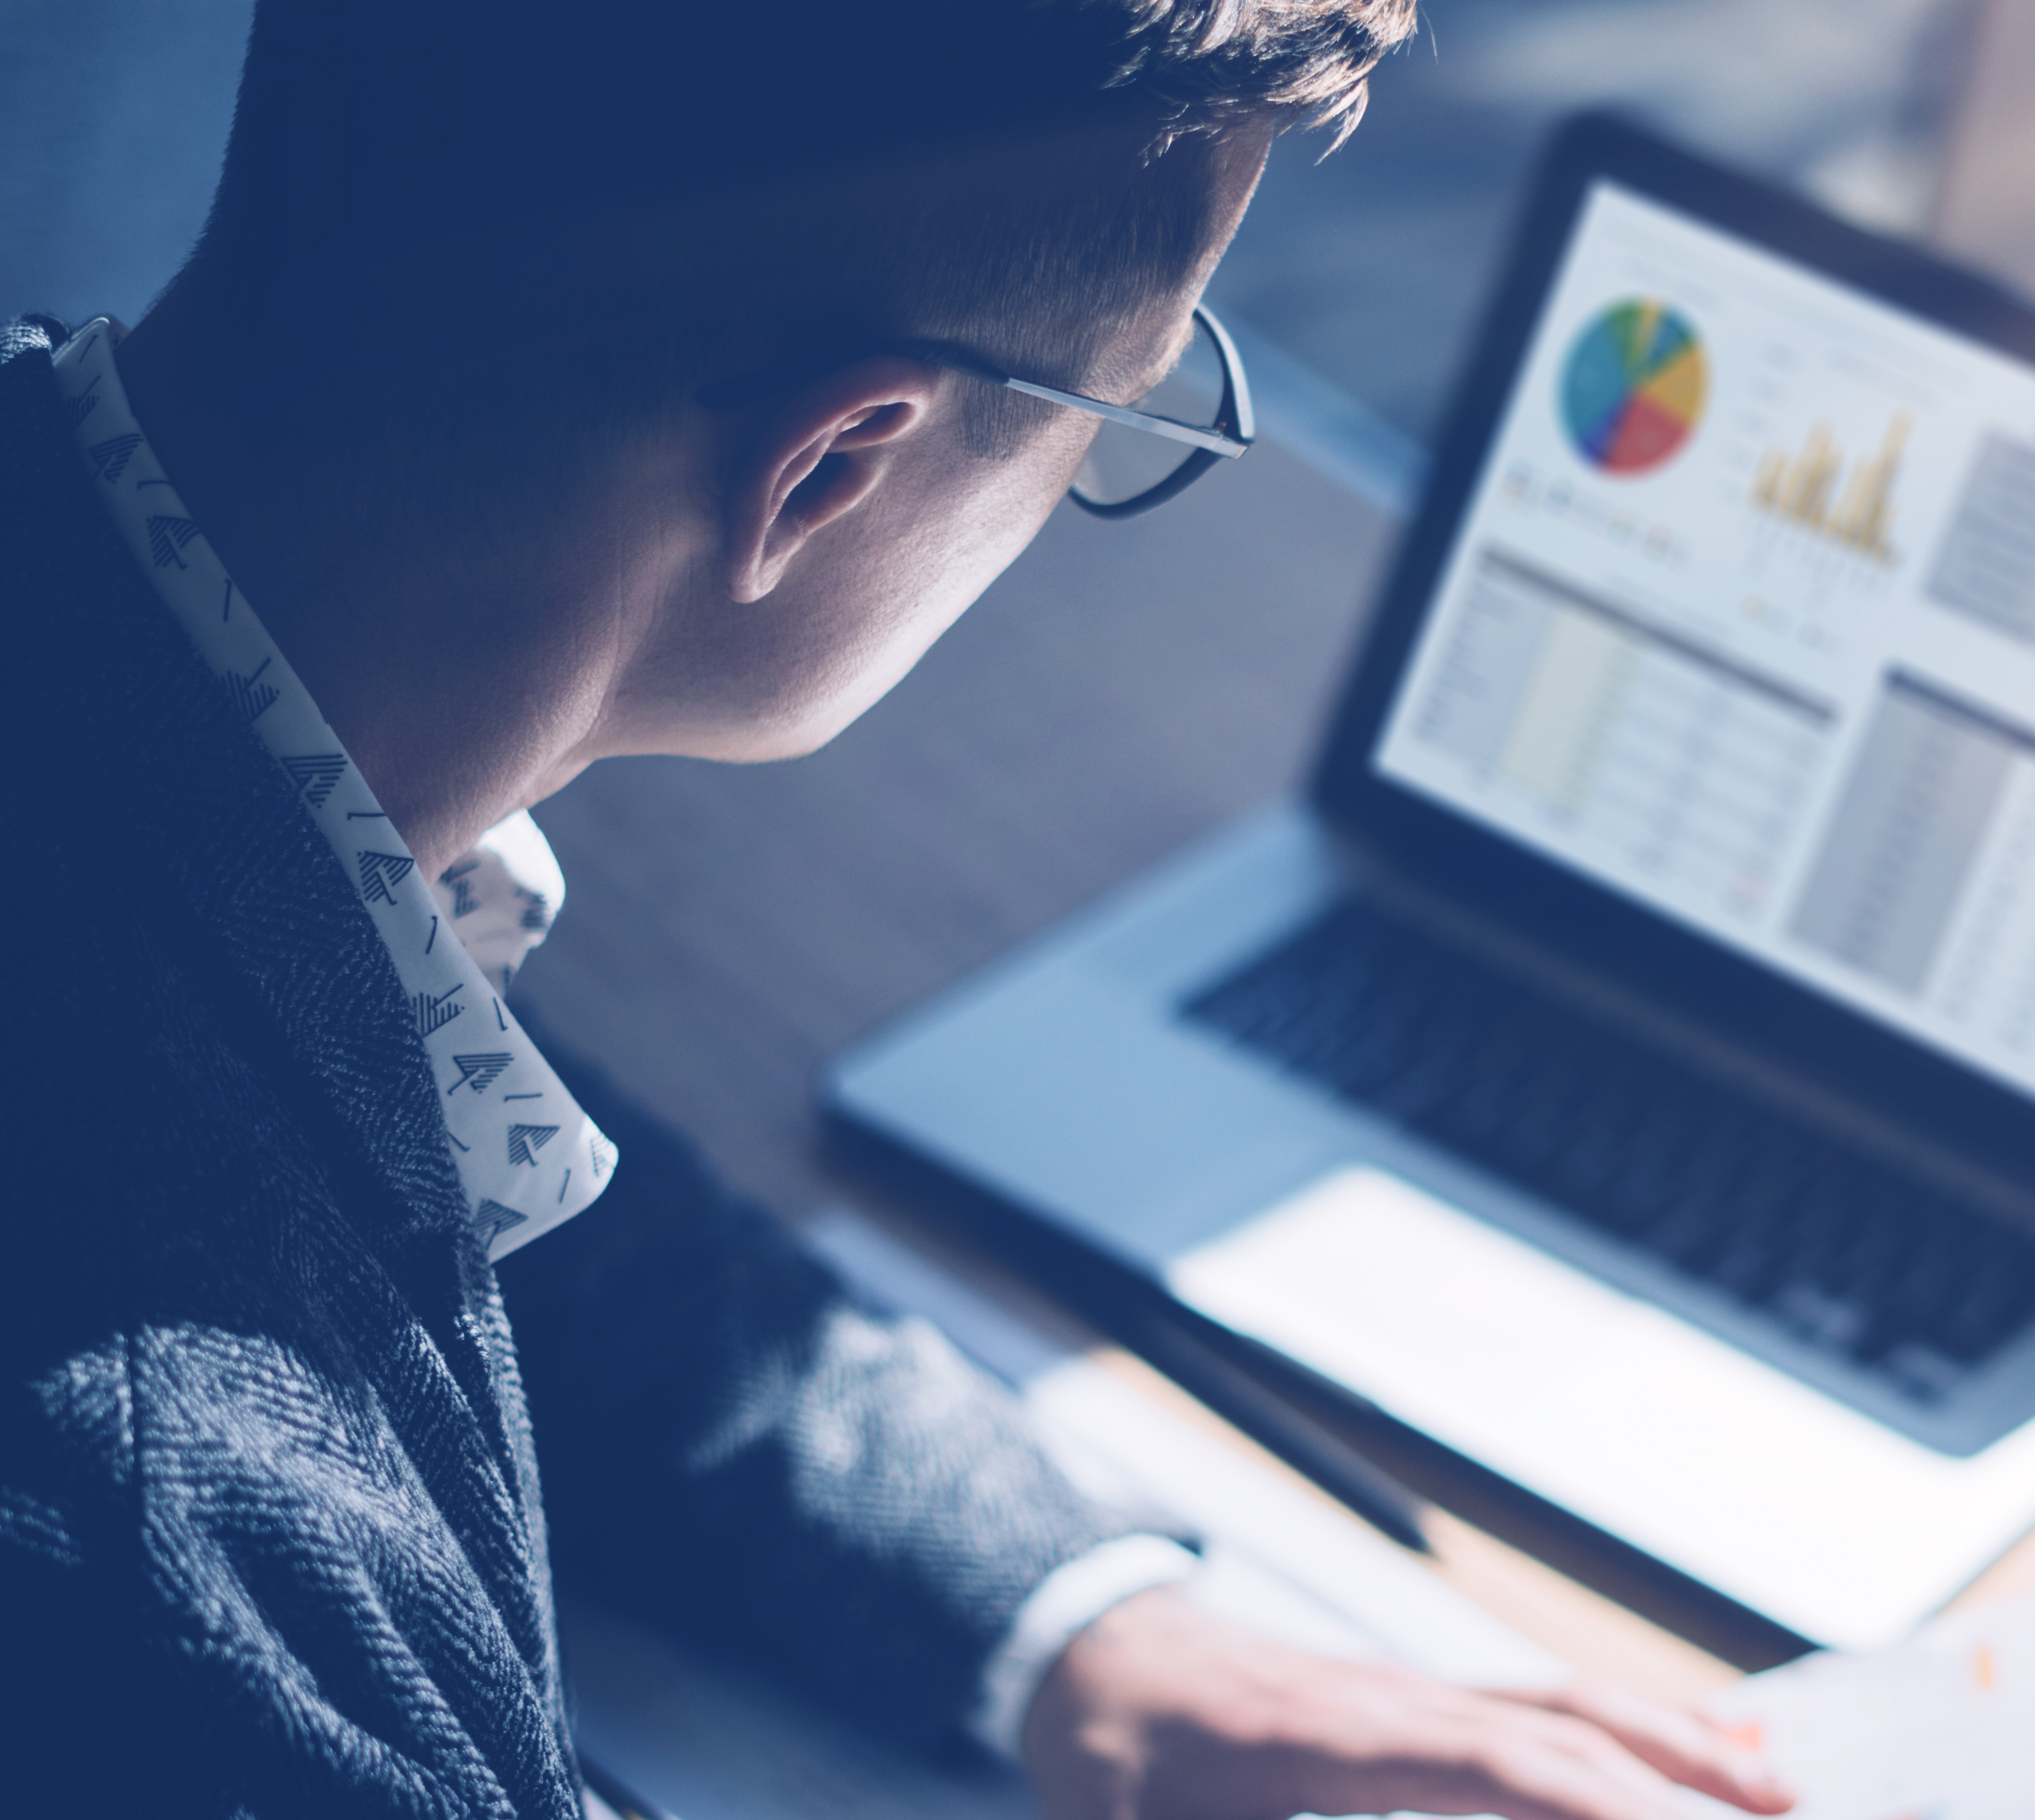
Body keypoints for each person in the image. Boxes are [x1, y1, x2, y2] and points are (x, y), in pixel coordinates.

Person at [0, 3, 1804, 1815]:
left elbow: (369, 1161)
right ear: (830, 468)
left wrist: (1066, 1618)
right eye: (1127, 408)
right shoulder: (177, 1584)